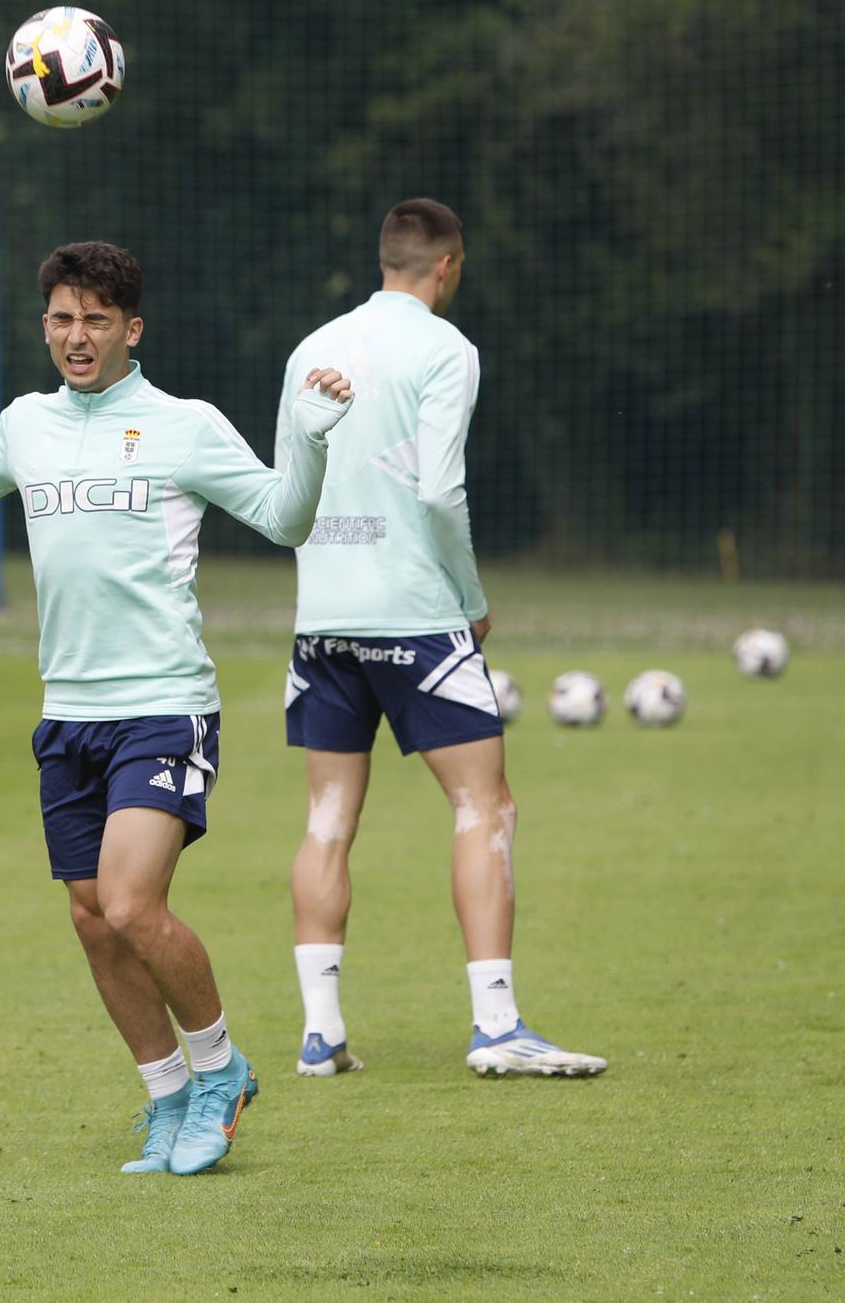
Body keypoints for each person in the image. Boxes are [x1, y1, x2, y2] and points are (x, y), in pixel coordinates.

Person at [0, 241, 354, 1174]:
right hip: (68, 708)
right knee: (90, 915)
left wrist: (313, 437)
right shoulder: (28, 424)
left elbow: (285, 518)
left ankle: (220, 1068)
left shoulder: (185, 423)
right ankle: (167, 1096)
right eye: (60, 319)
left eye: (94, 320)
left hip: (165, 703)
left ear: (133, 329)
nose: (75, 338)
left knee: (131, 901)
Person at [275, 199, 607, 1079]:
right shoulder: (446, 350)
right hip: (417, 614)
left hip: (323, 620)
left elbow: (287, 491)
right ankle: (496, 1026)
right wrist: (470, 596)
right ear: (448, 266)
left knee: (327, 818)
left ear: (384, 257)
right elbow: (437, 492)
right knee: (483, 806)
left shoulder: (310, 348)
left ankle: (321, 1034)